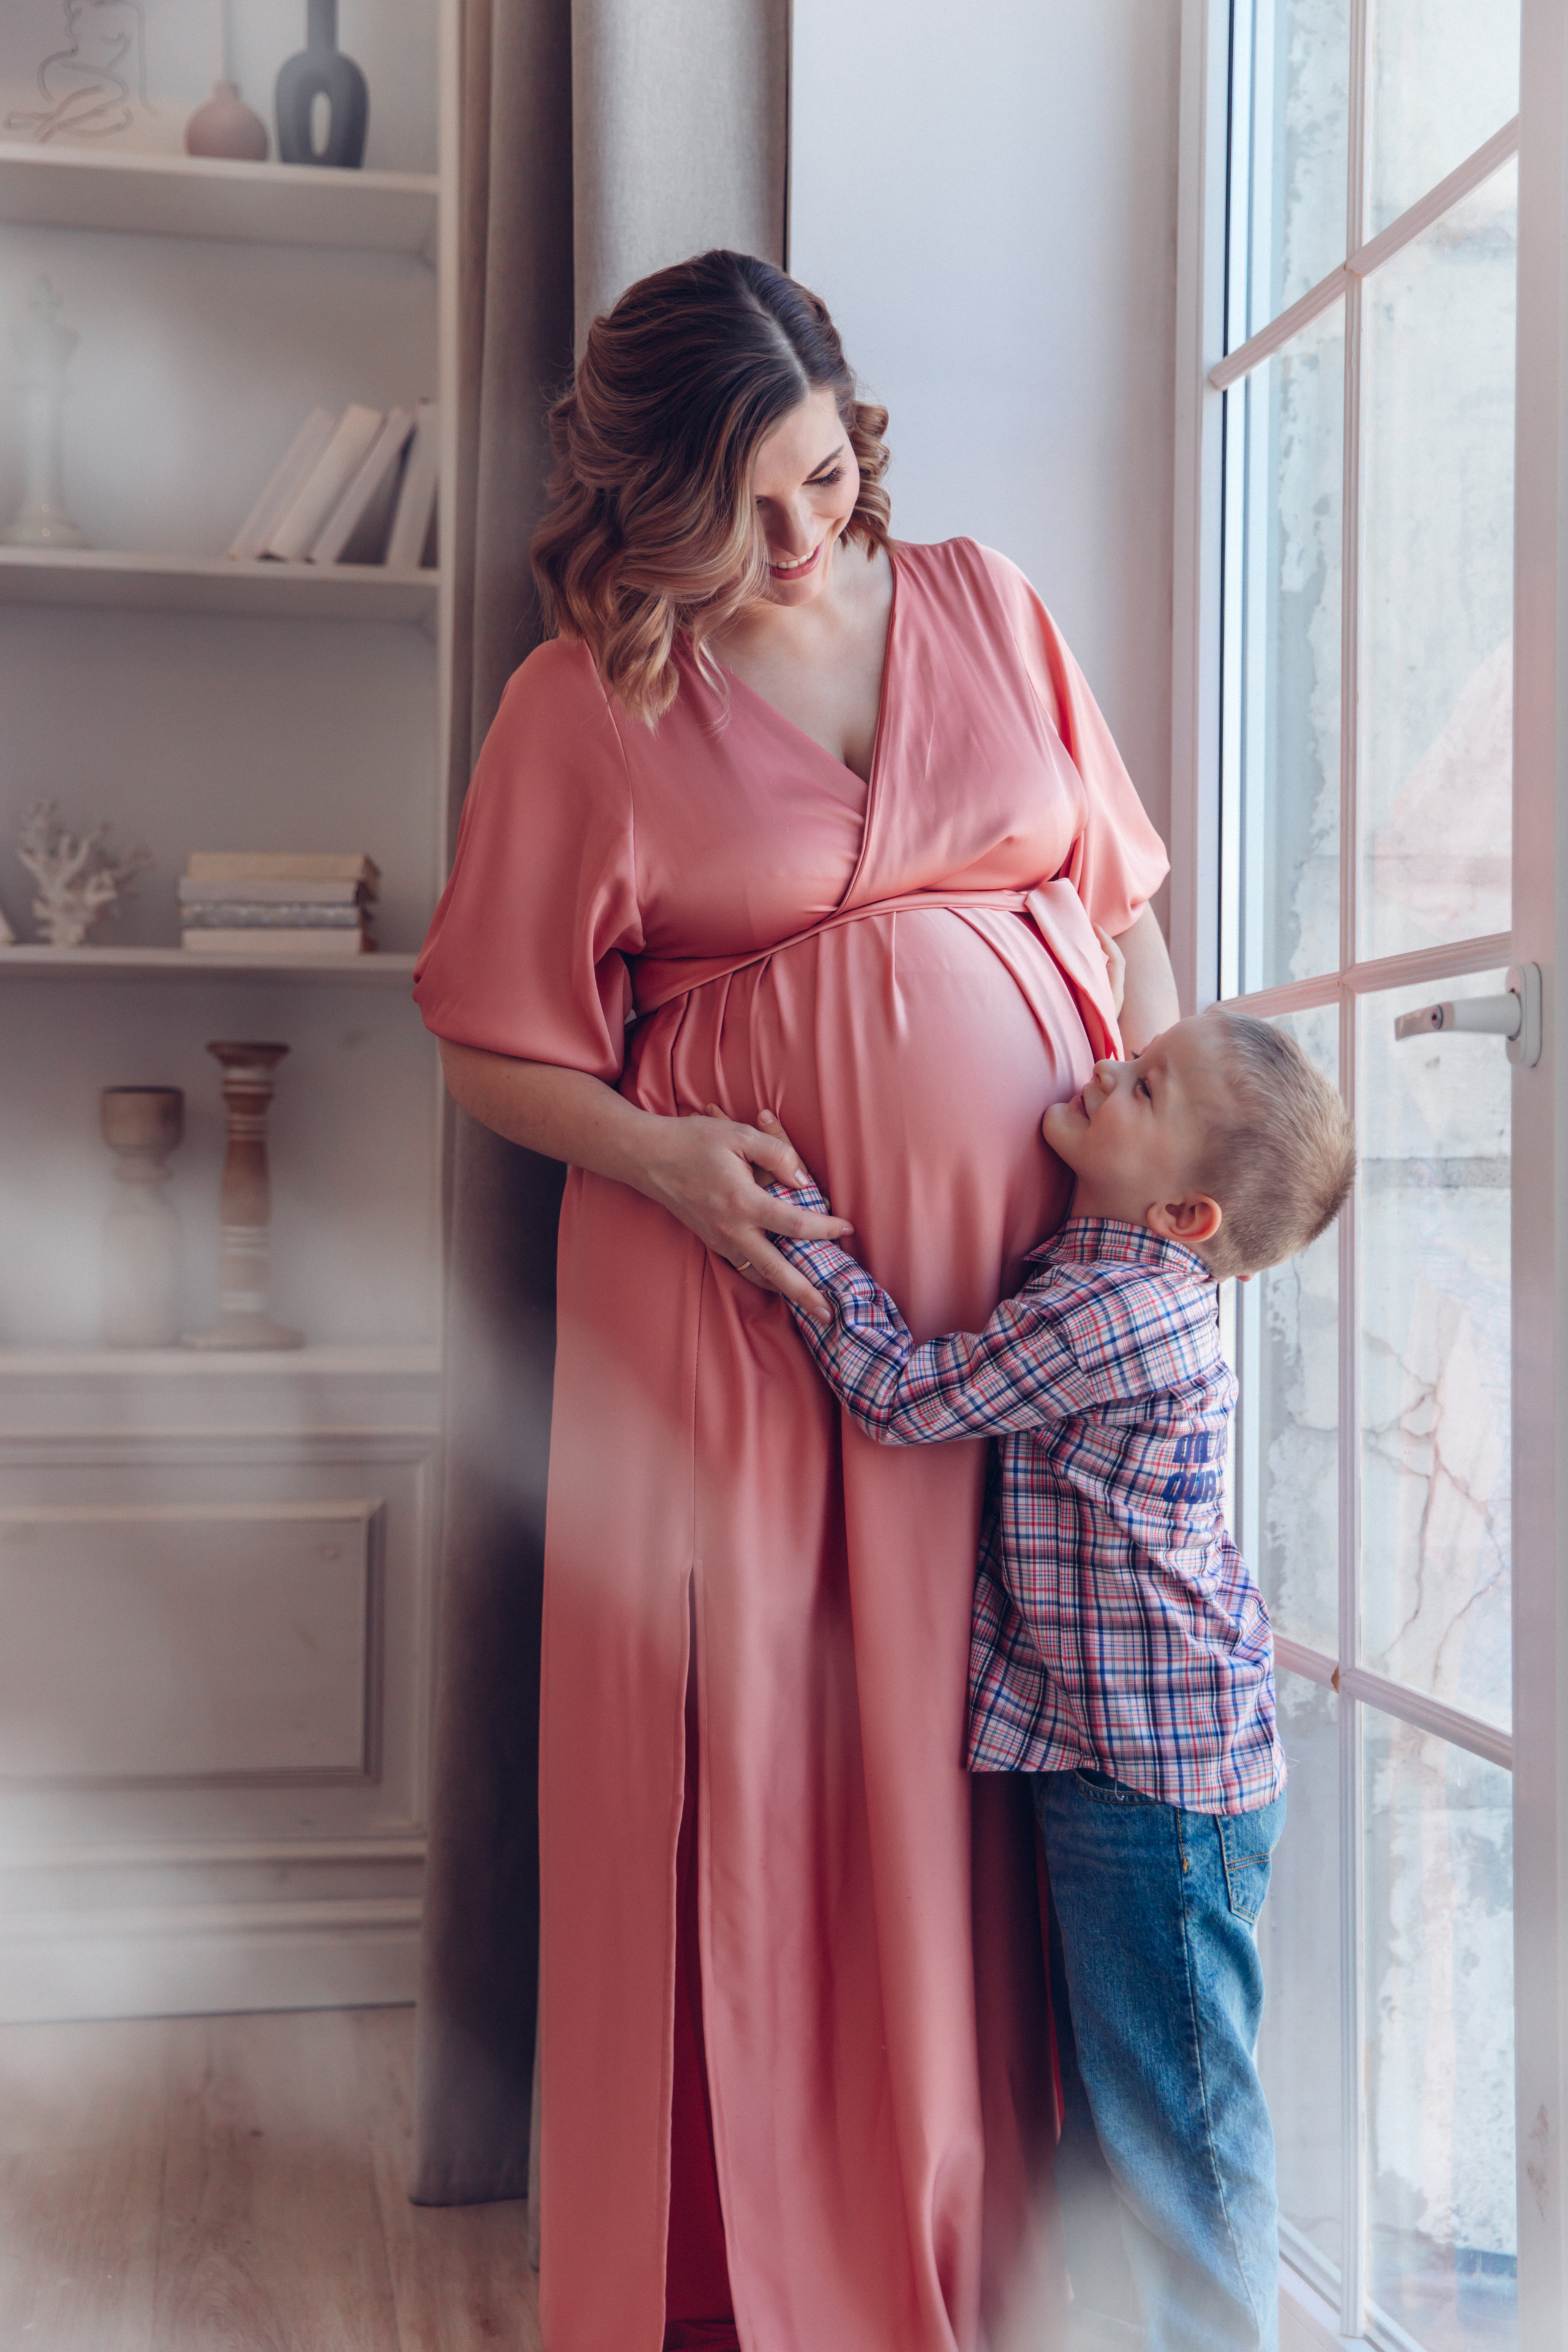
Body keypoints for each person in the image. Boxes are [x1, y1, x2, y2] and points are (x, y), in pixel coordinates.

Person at [413, 247, 1177, 2352]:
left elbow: (1129, 933)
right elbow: (494, 1040)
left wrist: (1158, 1231)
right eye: (737, 502)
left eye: (822, 476)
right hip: (740, 1320)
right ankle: (749, 2280)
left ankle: (990, 2242)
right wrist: (667, 1159)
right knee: (761, 1758)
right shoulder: (588, 702)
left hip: (1030, 1326)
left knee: (977, 1758)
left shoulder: (992, 610)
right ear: (640, 496)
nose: (793, 537)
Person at [755, 1011, 1357, 2351]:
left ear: (1186, 1211)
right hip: (1135, 1771)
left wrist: (810, 1239)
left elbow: (904, 1399)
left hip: (1158, 1799)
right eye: (1133, 1051)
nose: (1102, 1071)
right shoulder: (1102, 1275)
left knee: (1181, 2134)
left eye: (1140, 1086)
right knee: (1128, 2117)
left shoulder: (1113, 1308)